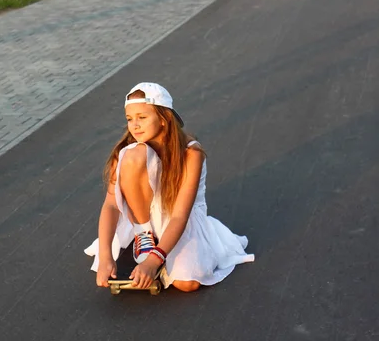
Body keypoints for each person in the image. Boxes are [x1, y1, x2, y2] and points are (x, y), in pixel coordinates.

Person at [84, 82, 254, 292]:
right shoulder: (126, 153)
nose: (134, 125)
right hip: (142, 217)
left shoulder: (191, 154)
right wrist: (105, 256)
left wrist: (154, 261)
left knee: (187, 283)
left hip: (180, 218)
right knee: (134, 155)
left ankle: (163, 257)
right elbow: (111, 206)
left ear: (164, 119)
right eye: (130, 119)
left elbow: (180, 215)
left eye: (142, 117)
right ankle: (144, 236)